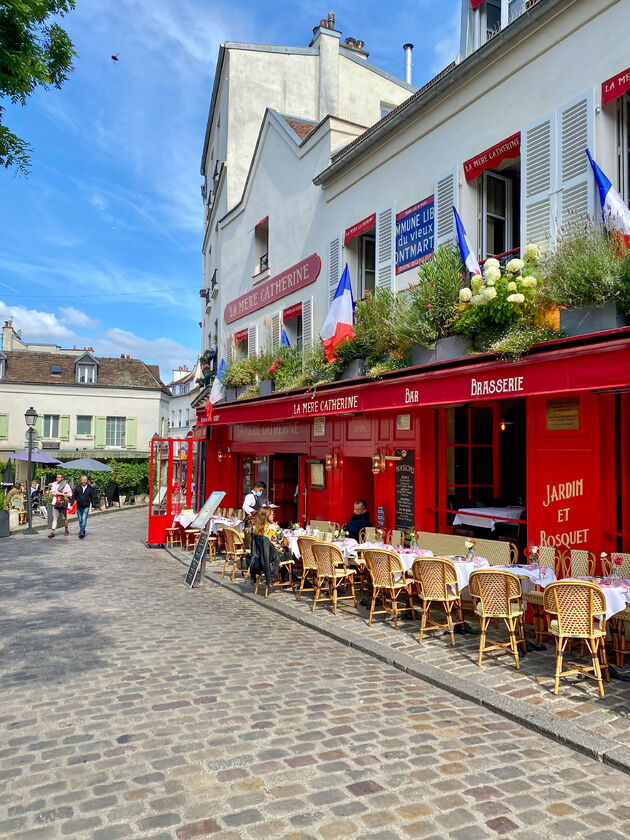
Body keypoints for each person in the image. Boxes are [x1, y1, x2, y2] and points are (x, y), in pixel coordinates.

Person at [48, 473, 72, 538]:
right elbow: (52, 492)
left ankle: (66, 529)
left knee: (64, 518)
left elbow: (70, 494)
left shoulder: (66, 485)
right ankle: (53, 532)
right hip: (55, 503)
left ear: (62, 478)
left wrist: (61, 494)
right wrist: (56, 493)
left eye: (59, 477)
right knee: (55, 518)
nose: (58, 478)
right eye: (57, 477)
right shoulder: (54, 484)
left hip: (63, 502)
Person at [74, 474, 97, 539]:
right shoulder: (77, 488)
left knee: (84, 519)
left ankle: (81, 532)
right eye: (83, 480)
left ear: (87, 481)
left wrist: (93, 506)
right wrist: (71, 504)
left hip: (86, 506)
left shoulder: (90, 488)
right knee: (80, 520)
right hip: (79, 506)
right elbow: (74, 496)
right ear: (81, 480)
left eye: (85, 480)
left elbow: (93, 497)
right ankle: (83, 530)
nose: (84, 481)